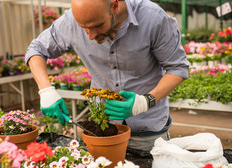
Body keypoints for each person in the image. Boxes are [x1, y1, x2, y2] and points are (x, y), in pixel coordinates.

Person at [25, 0, 189, 151]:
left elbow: (178, 68)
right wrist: (46, 90)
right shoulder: (69, 22)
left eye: (97, 25)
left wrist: (145, 101)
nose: (90, 35)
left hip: (148, 134)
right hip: (101, 130)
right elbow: (36, 50)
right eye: (83, 28)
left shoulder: (153, 19)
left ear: (115, 5)